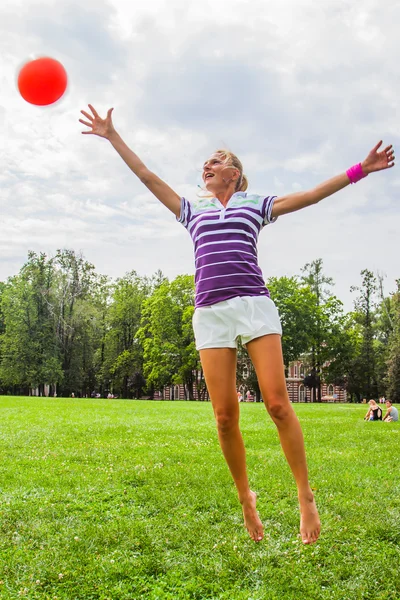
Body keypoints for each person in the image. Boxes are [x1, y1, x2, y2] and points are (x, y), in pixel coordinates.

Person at [79, 104, 395, 545]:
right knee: (225, 418)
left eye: (217, 160)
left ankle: (305, 495)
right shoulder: (192, 210)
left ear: (235, 173)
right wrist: (113, 137)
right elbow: (148, 176)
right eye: (205, 163)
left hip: (254, 306)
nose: (207, 165)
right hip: (210, 312)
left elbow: (311, 196)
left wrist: (361, 169)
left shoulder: (256, 205)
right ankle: (246, 497)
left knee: (278, 404)